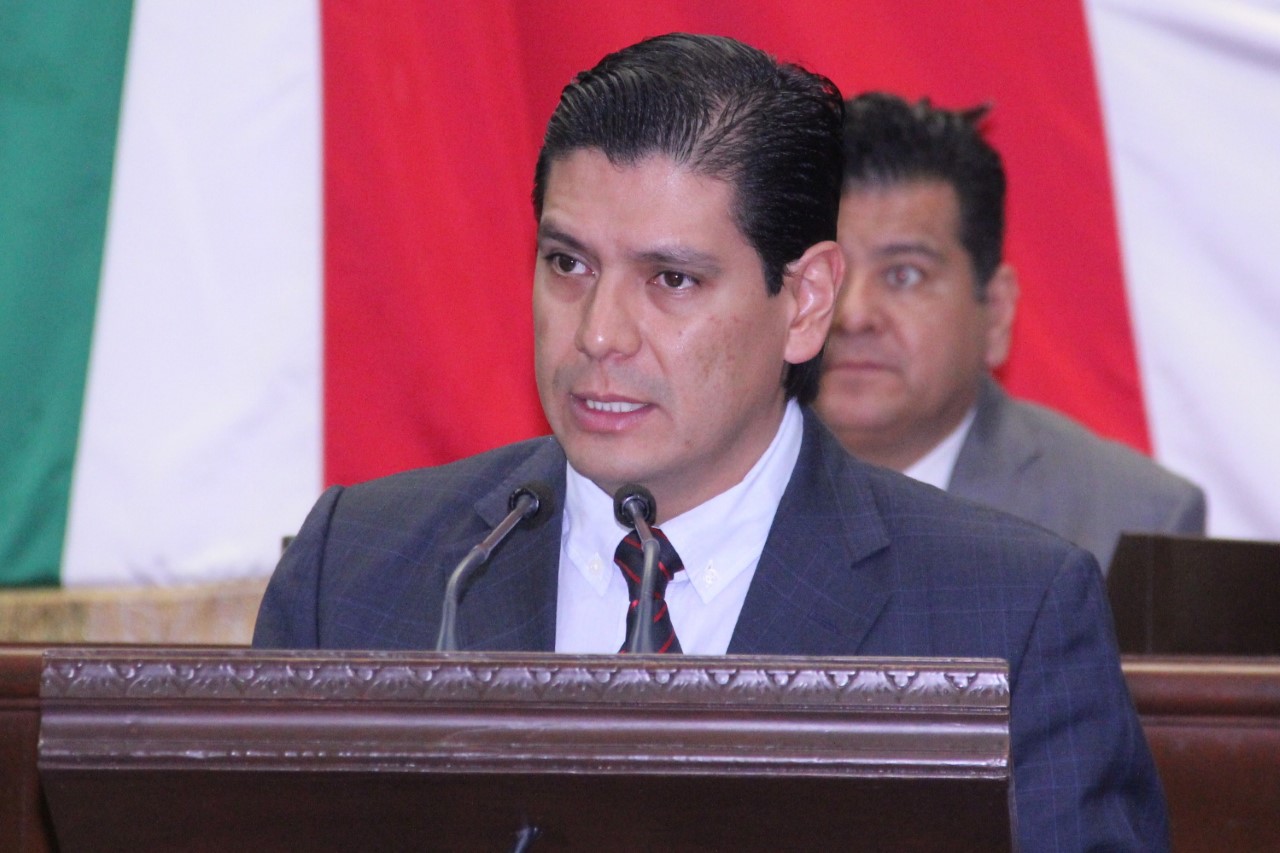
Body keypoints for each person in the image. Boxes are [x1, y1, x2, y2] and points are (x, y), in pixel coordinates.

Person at [255, 34, 1167, 850]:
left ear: (805, 302)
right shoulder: (358, 572)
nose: (598, 332)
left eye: (672, 279)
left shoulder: (1007, 613)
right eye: (568, 263)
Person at [815, 92, 1205, 572]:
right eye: (828, 275)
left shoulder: (1129, 520)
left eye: (904, 275)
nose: (853, 316)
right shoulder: (725, 478)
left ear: (997, 311)